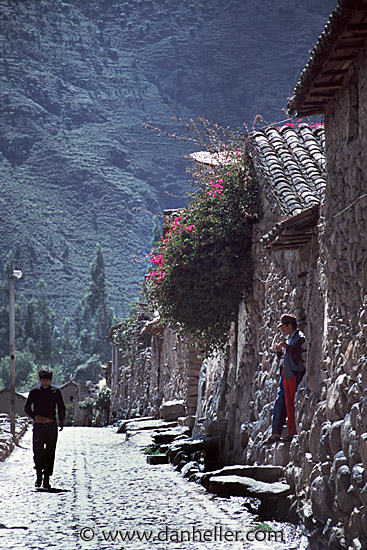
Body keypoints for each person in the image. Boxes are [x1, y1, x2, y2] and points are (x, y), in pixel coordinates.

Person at [264, 314, 305, 445]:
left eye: (283, 326)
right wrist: (279, 351)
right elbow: (284, 357)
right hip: (285, 374)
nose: (282, 329)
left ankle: (292, 432)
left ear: (289, 325)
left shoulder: (299, 338)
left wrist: (286, 348)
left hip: (292, 374)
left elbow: (298, 356)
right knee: (280, 402)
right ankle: (276, 432)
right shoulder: (289, 339)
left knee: (290, 403)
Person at [24, 368, 66, 489]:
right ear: (40, 380)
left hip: (51, 426)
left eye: (47, 380)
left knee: (50, 451)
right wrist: (34, 417)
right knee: (37, 451)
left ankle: (46, 478)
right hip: (38, 426)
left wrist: (61, 421)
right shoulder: (34, 392)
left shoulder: (56, 392)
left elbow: (61, 407)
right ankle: (38, 475)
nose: (45, 382)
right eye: (43, 380)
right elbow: (27, 408)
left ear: (50, 380)